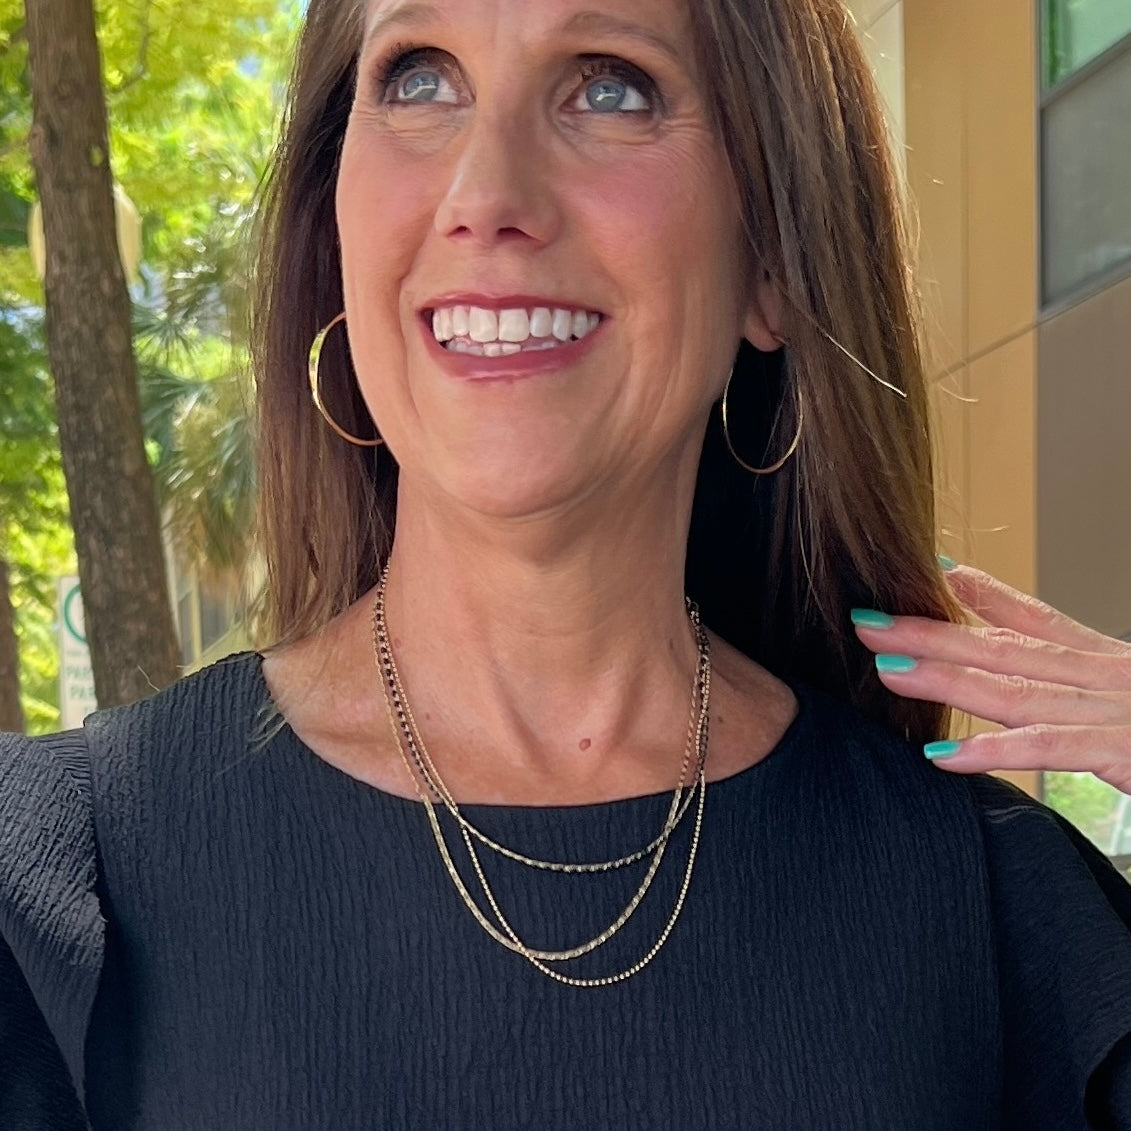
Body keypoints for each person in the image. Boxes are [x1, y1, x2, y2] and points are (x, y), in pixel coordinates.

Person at [2, 0, 1130, 1126]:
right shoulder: (61, 897)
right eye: (419, 77)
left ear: (775, 257)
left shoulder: (1000, 922)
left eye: (609, 85)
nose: (486, 196)